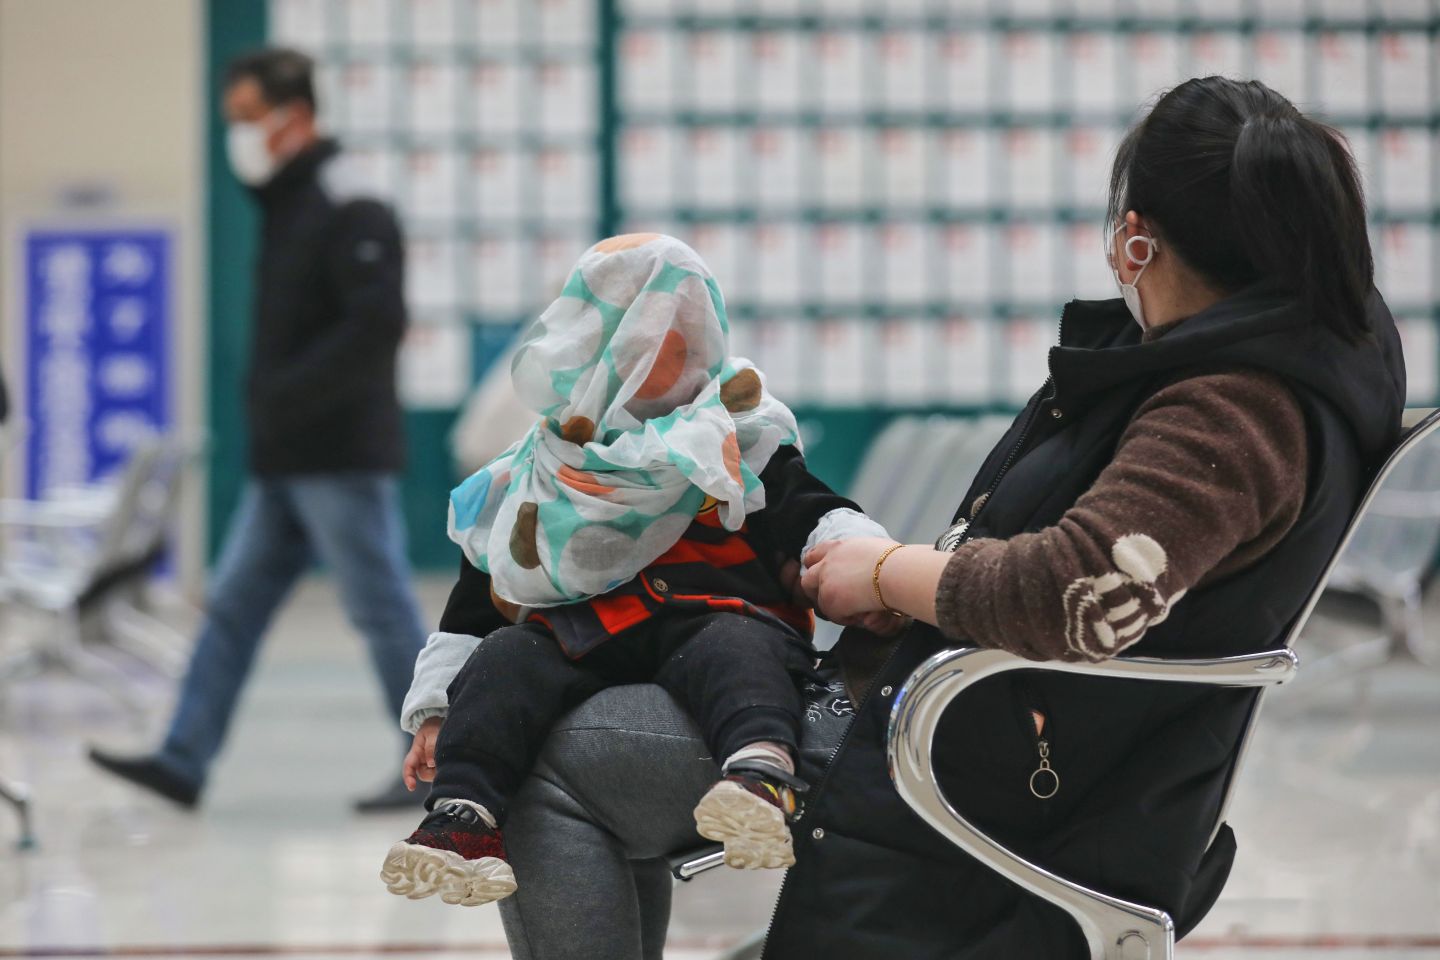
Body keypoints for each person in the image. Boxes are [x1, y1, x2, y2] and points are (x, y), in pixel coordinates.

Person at [482, 76, 1407, 960]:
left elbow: (1070, 595)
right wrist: (919, 587)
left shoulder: (1234, 407)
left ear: (1138, 241)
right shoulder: (1284, 369)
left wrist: (888, 575)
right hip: (1026, 729)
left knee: (549, 765)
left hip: (988, 755)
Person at [375, 234, 895, 907]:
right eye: (636, 337)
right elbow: (483, 592)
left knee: (744, 652)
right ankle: (463, 818)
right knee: (505, 657)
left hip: (717, 615)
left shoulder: (734, 434)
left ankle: (760, 777)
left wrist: (870, 559)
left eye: (679, 338)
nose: (660, 354)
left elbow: (809, 511)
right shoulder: (543, 466)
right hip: (581, 632)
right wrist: (438, 709)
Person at [88, 48, 429, 812]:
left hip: (337, 454)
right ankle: (183, 759)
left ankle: (443, 763)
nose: (237, 136)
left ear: (296, 115)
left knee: (380, 611)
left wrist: (287, 395)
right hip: (286, 459)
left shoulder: (349, 199)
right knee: (235, 608)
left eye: (247, 120)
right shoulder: (286, 199)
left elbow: (377, 324)